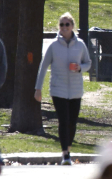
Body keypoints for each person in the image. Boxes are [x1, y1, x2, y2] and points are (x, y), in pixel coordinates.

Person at [35, 12, 92, 165]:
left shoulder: (80, 44)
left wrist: (80, 68)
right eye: (62, 24)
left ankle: (68, 147)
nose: (64, 27)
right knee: (63, 120)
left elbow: (88, 63)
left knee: (72, 122)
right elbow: (43, 66)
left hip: (75, 90)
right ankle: (65, 154)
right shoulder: (53, 46)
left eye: (67, 24)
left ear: (72, 26)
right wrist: (38, 88)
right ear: (58, 27)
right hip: (58, 89)